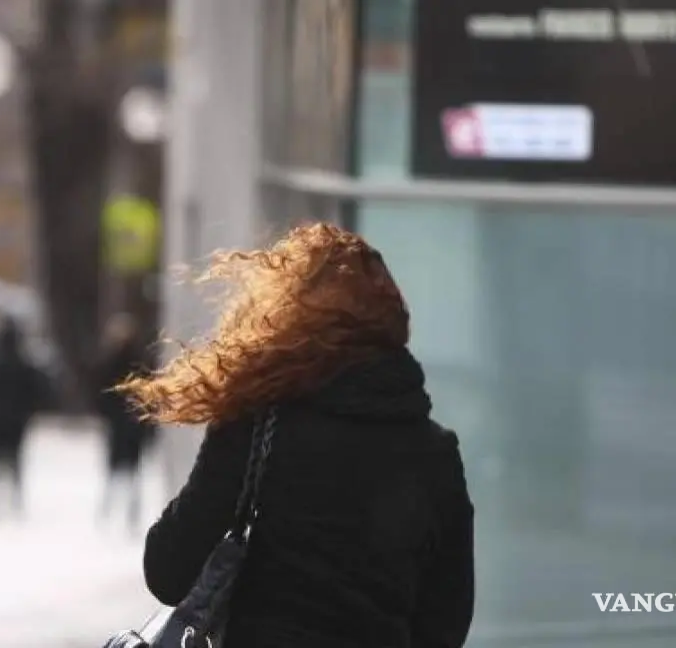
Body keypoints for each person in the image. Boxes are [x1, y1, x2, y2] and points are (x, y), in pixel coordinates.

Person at [116, 223, 475, 647]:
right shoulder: (433, 455)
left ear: (290, 321)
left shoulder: (255, 426)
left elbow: (169, 572)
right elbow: (446, 623)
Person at [95, 313, 157, 532]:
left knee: (126, 471)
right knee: (123, 471)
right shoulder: (135, 362)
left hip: (129, 426)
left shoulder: (129, 362)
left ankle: (122, 512)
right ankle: (115, 511)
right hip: (128, 425)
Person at [0, 318, 42, 516]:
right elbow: (35, 393)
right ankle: (12, 497)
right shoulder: (23, 365)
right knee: (12, 461)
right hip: (13, 420)